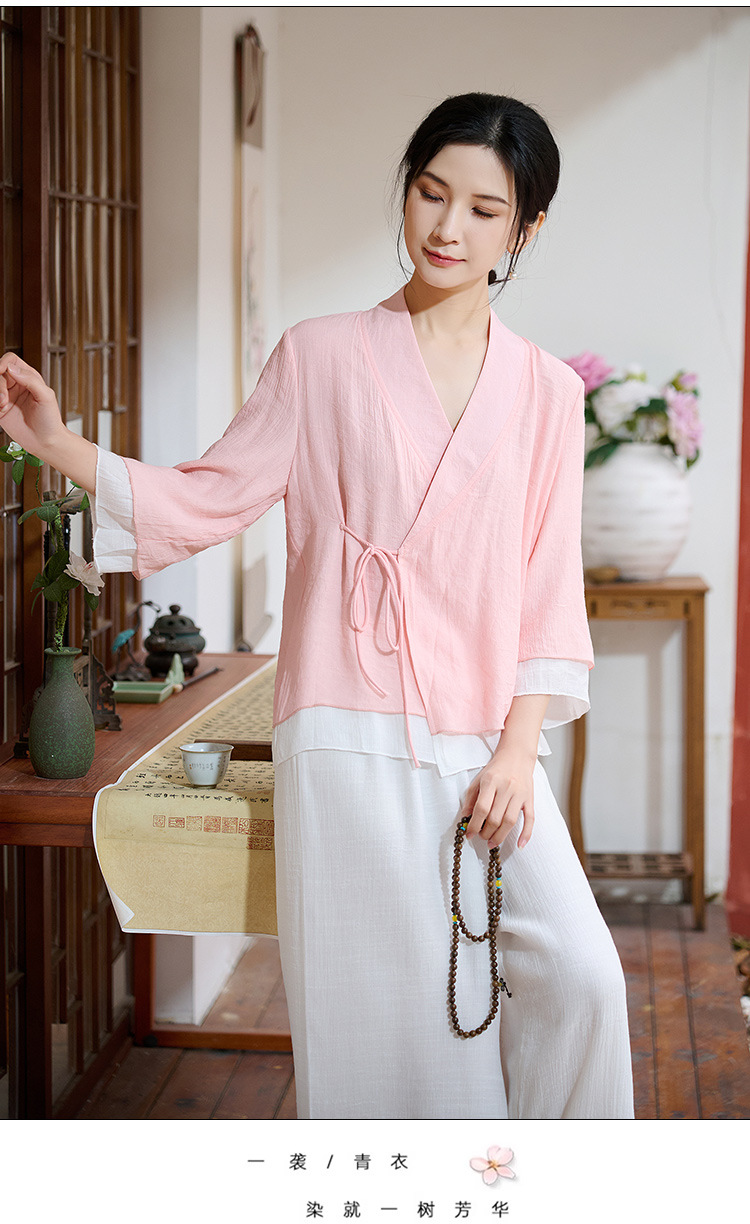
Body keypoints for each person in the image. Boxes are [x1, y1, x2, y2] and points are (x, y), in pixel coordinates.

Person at [0, 92, 634, 1120]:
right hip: (344, 731)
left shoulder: (549, 393)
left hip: (484, 736)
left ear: (526, 228)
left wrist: (520, 751)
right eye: (431, 193)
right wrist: (59, 445)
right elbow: (210, 495)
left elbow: (547, 582)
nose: (447, 228)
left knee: (584, 978)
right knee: (395, 1023)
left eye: (483, 209)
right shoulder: (321, 355)